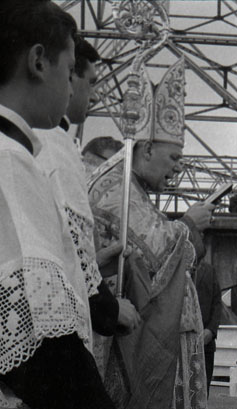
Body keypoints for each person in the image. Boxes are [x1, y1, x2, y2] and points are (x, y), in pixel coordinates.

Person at [0, 1, 115, 409]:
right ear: (38, 62)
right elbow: (39, 334)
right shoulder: (10, 161)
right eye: (69, 72)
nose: (71, 88)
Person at [88, 57, 212, 409]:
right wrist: (189, 224)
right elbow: (156, 252)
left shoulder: (133, 185)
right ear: (145, 149)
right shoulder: (116, 186)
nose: (178, 166)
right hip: (121, 339)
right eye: (173, 156)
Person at [35, 36, 141, 345]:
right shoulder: (55, 143)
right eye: (91, 82)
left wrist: (95, 260)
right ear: (68, 76)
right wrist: (112, 311)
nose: (94, 95)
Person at [193, 261, 223, 396]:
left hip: (205, 343)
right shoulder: (174, 267)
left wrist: (211, 330)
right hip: (178, 342)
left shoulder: (210, 271)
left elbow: (217, 303)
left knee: (202, 392)